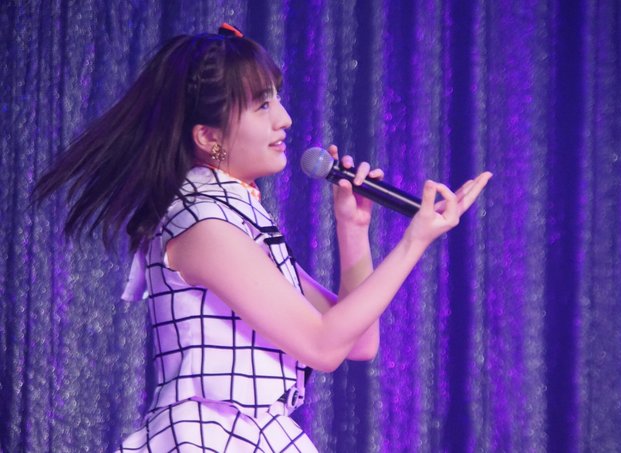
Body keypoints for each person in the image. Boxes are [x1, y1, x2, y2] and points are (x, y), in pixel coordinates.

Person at [34, 23, 491, 452]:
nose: (285, 119)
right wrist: (413, 242)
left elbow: (356, 342)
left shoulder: (236, 220)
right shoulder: (203, 226)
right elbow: (322, 346)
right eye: (262, 105)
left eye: (277, 99)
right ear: (208, 136)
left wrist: (353, 230)